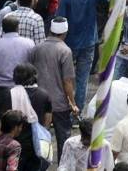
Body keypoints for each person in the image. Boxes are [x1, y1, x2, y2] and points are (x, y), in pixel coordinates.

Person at [55, 0, 111, 109]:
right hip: (88, 44)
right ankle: (77, 110)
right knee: (82, 79)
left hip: (69, 45)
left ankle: (63, 107)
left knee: (64, 78)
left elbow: (59, 20)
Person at [28, 17, 77, 155]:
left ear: (50, 30)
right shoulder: (65, 51)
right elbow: (67, 81)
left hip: (38, 101)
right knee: (63, 139)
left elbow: (30, 73)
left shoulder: (36, 48)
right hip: (59, 103)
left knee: (38, 136)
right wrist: (72, 103)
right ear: (65, 32)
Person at [0, 16, 35, 129]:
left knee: (0, 124)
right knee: (23, 123)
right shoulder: (29, 44)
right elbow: (34, 66)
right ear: (17, 28)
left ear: (2, 28)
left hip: (2, 91)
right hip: (24, 90)